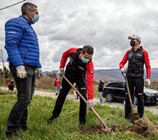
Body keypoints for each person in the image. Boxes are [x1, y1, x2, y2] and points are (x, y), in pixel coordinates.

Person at [4, 2, 42, 138]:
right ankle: (11, 130)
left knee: (27, 98)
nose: (37, 15)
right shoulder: (15, 23)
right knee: (24, 98)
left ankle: (22, 125)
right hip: (22, 65)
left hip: (30, 66)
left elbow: (33, 50)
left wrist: (38, 66)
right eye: (36, 12)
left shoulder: (30, 28)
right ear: (28, 11)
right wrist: (19, 65)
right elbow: (11, 45)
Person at [47, 45, 94, 126]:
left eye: (89, 58)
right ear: (81, 53)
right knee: (61, 96)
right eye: (86, 57)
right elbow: (64, 55)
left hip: (80, 77)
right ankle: (54, 116)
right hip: (68, 75)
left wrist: (90, 99)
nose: (87, 60)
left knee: (84, 99)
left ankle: (82, 122)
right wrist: (61, 67)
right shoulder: (72, 51)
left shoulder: (89, 64)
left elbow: (90, 81)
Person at [119, 34, 151, 120]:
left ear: (138, 41)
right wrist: (122, 68)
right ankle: (127, 116)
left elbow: (148, 66)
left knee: (140, 97)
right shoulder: (128, 52)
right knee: (128, 96)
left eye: (133, 39)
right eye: (131, 39)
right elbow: (122, 62)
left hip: (139, 78)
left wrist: (148, 77)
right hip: (129, 77)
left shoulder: (144, 53)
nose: (131, 41)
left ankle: (140, 116)